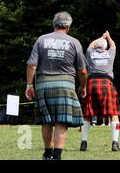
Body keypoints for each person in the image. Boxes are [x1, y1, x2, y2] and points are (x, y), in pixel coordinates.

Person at [25, 11, 87, 160]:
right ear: (68, 27)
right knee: (61, 121)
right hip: (65, 85)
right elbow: (83, 71)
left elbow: (32, 65)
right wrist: (83, 86)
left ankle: (47, 153)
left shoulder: (41, 40)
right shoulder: (74, 42)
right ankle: (57, 156)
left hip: (43, 84)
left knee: (46, 120)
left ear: (54, 24)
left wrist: (29, 85)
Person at [80, 30, 120, 152]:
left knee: (87, 115)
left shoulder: (90, 54)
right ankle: (115, 143)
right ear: (105, 47)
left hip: (92, 84)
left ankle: (84, 142)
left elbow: (90, 46)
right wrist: (108, 37)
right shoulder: (109, 53)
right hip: (106, 84)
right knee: (114, 115)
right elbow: (113, 45)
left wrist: (100, 37)